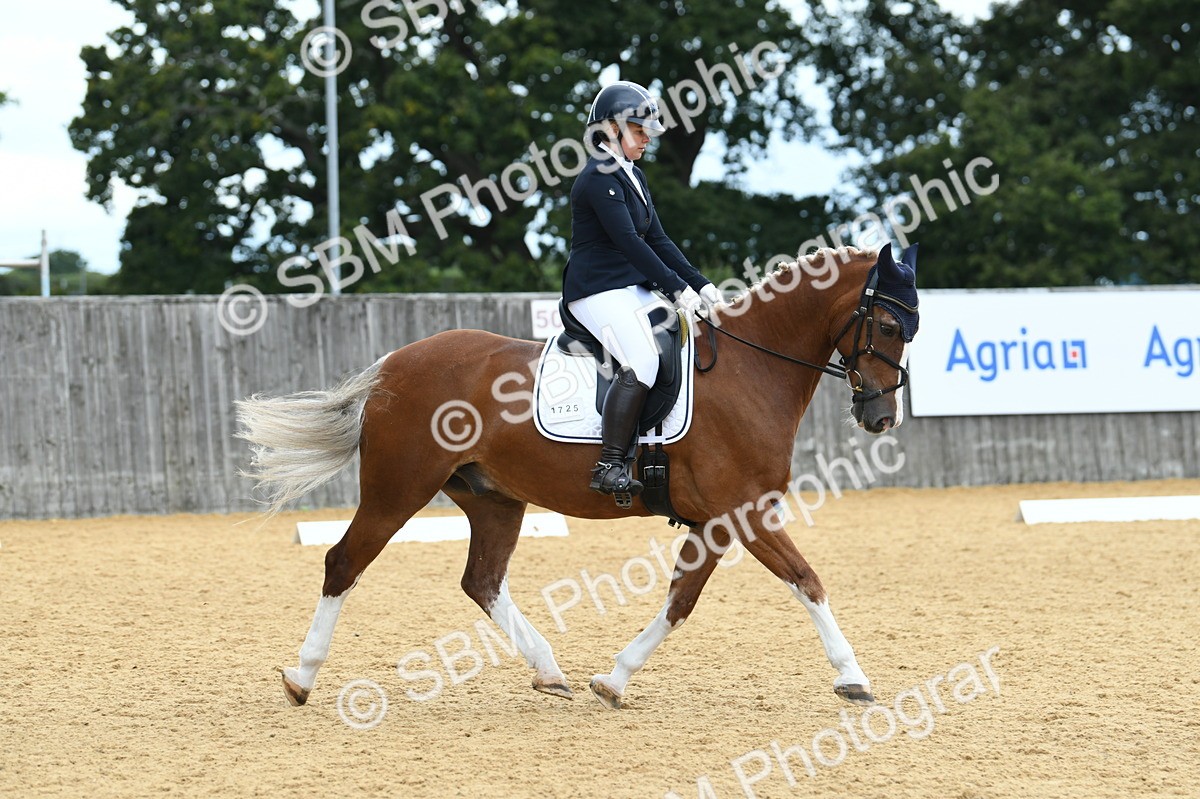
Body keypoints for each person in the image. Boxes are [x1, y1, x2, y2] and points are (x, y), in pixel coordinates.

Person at [562, 80, 723, 499]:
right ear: (612, 129)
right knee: (643, 361)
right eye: (638, 130)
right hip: (595, 290)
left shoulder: (634, 175)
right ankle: (610, 464)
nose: (647, 138)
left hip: (628, 287)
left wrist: (701, 286)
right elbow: (629, 242)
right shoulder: (598, 175)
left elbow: (659, 240)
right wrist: (675, 289)